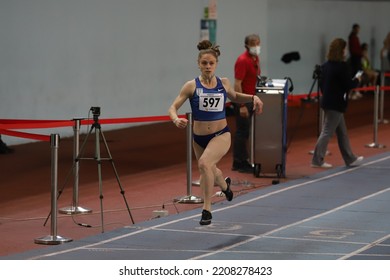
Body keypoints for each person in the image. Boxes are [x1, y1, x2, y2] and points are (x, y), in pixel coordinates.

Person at [168, 40, 263, 225]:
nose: (208, 66)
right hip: (198, 138)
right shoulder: (191, 86)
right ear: (198, 64)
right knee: (209, 169)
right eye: (204, 63)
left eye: (211, 63)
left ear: (216, 64)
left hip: (221, 134)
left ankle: (207, 209)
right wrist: (175, 118)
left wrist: (253, 97)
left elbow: (235, 96)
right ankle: (225, 185)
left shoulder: (224, 83)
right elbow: (173, 107)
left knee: (204, 164)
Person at [311, 38, 363, 169]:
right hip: (336, 104)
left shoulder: (325, 65)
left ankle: (350, 158)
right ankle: (317, 160)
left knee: (342, 132)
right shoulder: (342, 67)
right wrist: (357, 79)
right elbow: (348, 84)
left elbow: (322, 84)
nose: (346, 51)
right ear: (341, 51)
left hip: (327, 101)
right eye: (344, 49)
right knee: (327, 132)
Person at [232, 34, 261, 173]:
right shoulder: (242, 60)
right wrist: (241, 105)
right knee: (242, 132)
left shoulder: (255, 59)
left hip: (251, 99)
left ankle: (245, 159)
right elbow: (237, 84)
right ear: (247, 45)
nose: (256, 46)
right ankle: (239, 162)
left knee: (247, 132)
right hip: (244, 101)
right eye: (253, 43)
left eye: (258, 43)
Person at [348, 24, 363, 99]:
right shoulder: (352, 37)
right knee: (355, 75)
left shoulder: (355, 37)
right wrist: (361, 53)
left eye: (358, 29)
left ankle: (356, 90)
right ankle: (352, 92)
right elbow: (354, 50)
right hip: (355, 60)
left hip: (357, 59)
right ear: (354, 29)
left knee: (358, 74)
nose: (358, 30)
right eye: (357, 29)